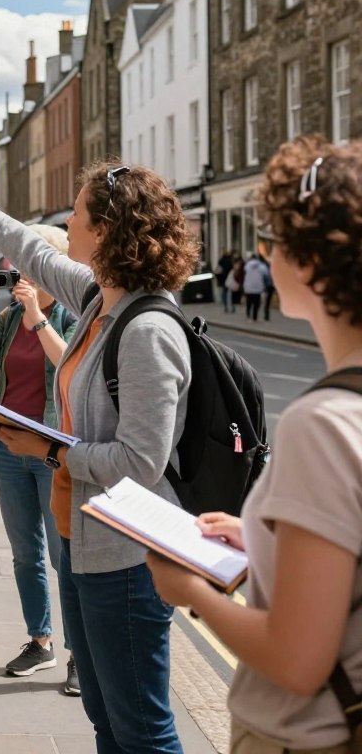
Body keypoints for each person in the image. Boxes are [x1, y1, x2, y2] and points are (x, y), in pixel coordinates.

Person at [0, 161, 197, 754]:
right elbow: (35, 251)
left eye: (75, 215)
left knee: (143, 731)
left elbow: (140, 462)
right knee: (105, 718)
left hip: (129, 559)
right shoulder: (102, 301)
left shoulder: (147, 328)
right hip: (85, 540)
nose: (66, 224)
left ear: (104, 231)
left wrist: (49, 447)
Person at [148, 137, 362, 754]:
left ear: (316, 263)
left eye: (272, 240)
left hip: (309, 736)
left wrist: (187, 589)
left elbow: (295, 660)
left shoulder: (323, 422)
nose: (264, 252)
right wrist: (268, 541)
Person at [0, 224, 80, 695]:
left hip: (53, 453)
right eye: (17, 262)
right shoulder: (9, 317)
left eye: (28, 261)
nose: (19, 270)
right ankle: (40, 639)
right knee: (25, 554)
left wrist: (38, 315)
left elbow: (73, 369)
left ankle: (79, 654)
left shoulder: (73, 314)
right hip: (11, 450)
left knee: (64, 555)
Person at [242, 251, 271, 323]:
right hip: (258, 287)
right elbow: (266, 275)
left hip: (248, 287)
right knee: (256, 303)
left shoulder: (247, 266)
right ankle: (255, 317)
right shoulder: (262, 266)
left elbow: (244, 273)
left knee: (249, 302)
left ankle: (248, 315)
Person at [215, 249, 234, 313]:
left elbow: (217, 271)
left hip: (223, 280)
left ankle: (225, 306)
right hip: (229, 279)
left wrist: (218, 279)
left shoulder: (221, 261)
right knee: (230, 294)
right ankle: (232, 306)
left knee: (224, 293)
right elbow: (232, 271)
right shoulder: (230, 261)